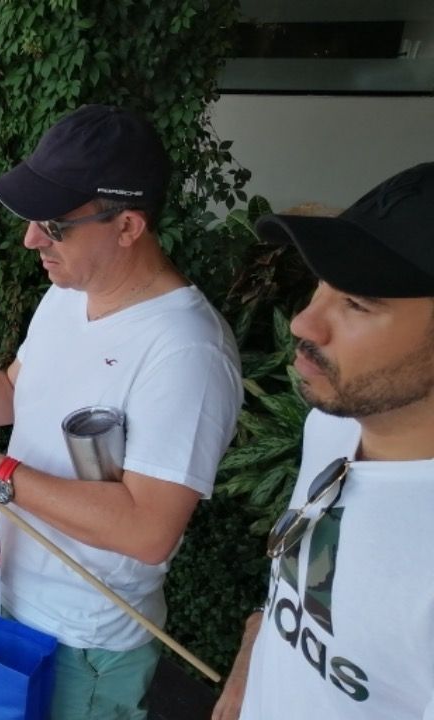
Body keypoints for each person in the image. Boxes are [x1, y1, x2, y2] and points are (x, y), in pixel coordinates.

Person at [0, 105, 243, 718]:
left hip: (83, 639)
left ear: (128, 225)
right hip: (4, 593)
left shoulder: (186, 351)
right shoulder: (69, 293)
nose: (31, 240)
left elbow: (148, 531)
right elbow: (14, 391)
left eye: (54, 226)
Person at [211, 163, 434, 720]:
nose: (303, 324)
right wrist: (255, 648)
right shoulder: (336, 422)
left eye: (357, 302)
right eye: (321, 285)